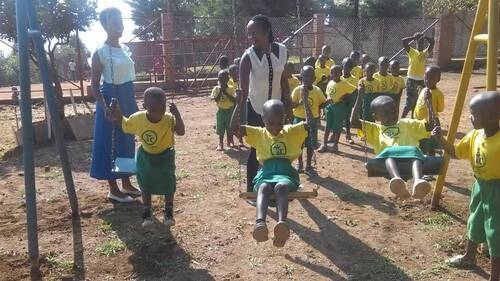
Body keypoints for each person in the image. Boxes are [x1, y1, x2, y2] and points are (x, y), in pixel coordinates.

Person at [432, 92, 500, 280]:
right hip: (480, 185)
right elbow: (455, 152)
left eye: (474, 114)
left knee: (495, 231)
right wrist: (441, 139)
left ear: (492, 116)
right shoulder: (475, 135)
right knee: (475, 220)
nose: (470, 117)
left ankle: (495, 276)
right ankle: (469, 256)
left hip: (497, 190)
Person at [231, 99, 312, 247]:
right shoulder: (259, 133)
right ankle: (260, 224)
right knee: (263, 188)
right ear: (263, 120)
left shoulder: (291, 131)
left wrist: (305, 99)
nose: (275, 128)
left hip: (286, 174)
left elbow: (309, 124)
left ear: (285, 119)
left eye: (279, 123)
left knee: (281, 187)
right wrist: (238, 104)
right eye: (270, 123)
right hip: (266, 173)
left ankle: (282, 225)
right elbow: (234, 129)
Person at [231, 15, 291, 197]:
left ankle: (276, 185)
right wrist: (239, 101)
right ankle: (251, 188)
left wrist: (287, 101)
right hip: (257, 109)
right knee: (257, 148)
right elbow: (243, 89)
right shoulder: (248, 57)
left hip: (277, 108)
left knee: (278, 147)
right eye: (249, 34)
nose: (251, 38)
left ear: (267, 31)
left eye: (254, 33)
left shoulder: (282, 50)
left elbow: (283, 79)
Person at [110, 87, 185, 227]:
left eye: (162, 109)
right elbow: (125, 125)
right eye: (154, 109)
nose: (159, 113)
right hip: (146, 155)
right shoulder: (138, 118)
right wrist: (118, 112)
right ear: (145, 107)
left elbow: (181, 132)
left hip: (166, 155)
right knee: (145, 183)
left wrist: (177, 115)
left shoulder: (168, 118)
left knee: (168, 182)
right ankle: (147, 213)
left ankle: (168, 211)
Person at [90, 7, 140, 203]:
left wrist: (134, 103)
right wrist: (105, 107)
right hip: (111, 99)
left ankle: (126, 182)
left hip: (127, 97)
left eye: (120, 22)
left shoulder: (125, 49)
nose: (119, 26)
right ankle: (113, 188)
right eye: (114, 23)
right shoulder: (100, 52)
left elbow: (128, 78)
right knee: (110, 143)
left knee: (126, 141)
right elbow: (94, 85)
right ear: (104, 25)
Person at [350, 90, 437, 200]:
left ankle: (418, 181)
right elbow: (354, 122)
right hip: (389, 161)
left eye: (394, 111)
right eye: (386, 114)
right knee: (388, 154)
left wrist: (429, 102)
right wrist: (359, 97)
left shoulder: (407, 123)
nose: (392, 115)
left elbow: (430, 125)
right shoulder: (375, 129)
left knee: (415, 153)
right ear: (376, 117)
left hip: (410, 157)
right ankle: (397, 181)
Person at [291, 65, 327, 176]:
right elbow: (292, 104)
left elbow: (322, 102)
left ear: (314, 78)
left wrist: (327, 102)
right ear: (301, 77)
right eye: (304, 76)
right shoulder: (297, 90)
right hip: (299, 120)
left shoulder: (317, 90)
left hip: (312, 120)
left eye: (310, 77)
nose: (307, 79)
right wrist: (300, 102)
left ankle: (308, 166)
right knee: (299, 143)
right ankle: (300, 163)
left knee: (310, 143)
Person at [319, 65, 356, 153]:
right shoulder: (330, 82)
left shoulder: (344, 83)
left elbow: (354, 90)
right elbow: (328, 94)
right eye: (332, 72)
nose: (334, 74)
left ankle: (335, 145)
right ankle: (324, 144)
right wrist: (327, 102)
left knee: (337, 126)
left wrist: (345, 96)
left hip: (339, 106)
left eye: (336, 72)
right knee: (328, 125)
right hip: (330, 107)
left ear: (341, 73)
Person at [401, 32, 435, 118]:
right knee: (409, 102)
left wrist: (425, 36)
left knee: (417, 102)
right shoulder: (411, 51)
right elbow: (404, 41)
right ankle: (401, 119)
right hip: (411, 80)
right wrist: (414, 37)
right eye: (419, 43)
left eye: (422, 43)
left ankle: (413, 119)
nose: (421, 45)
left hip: (421, 81)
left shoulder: (425, 53)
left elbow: (432, 42)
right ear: (415, 44)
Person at [414, 66, 444, 157]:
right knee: (420, 141)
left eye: (431, 78)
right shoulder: (423, 89)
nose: (427, 80)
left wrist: (430, 100)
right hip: (418, 121)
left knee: (430, 143)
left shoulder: (438, 93)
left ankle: (432, 158)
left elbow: (440, 109)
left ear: (438, 79)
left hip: (429, 123)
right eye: (426, 77)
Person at [211, 70, 236, 151]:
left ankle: (229, 142)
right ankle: (220, 143)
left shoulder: (231, 89)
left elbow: (233, 100)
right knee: (220, 128)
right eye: (220, 78)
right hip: (221, 111)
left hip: (230, 111)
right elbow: (216, 100)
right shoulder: (216, 89)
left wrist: (225, 92)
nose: (222, 80)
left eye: (224, 78)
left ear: (228, 79)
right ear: (218, 79)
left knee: (229, 128)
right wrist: (221, 91)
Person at [340, 57, 359, 144]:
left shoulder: (354, 79)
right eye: (345, 66)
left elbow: (353, 91)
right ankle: (333, 136)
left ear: (351, 68)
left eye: (349, 67)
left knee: (347, 119)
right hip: (338, 102)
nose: (346, 68)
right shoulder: (338, 77)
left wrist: (344, 96)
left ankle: (348, 135)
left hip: (347, 102)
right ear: (342, 66)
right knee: (337, 119)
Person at [228, 64, 246, 148]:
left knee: (240, 123)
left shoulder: (241, 81)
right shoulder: (229, 82)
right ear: (230, 74)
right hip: (232, 105)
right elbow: (232, 92)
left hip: (240, 105)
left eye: (237, 72)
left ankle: (240, 140)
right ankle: (231, 141)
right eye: (234, 72)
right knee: (231, 124)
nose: (236, 74)